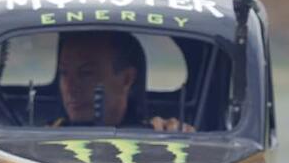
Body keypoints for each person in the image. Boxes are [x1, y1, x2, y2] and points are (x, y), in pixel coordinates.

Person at [55, 31, 191, 131]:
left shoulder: (160, 136)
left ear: (127, 79)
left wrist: (177, 135)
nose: (70, 87)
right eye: (64, 73)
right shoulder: (39, 141)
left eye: (86, 73)